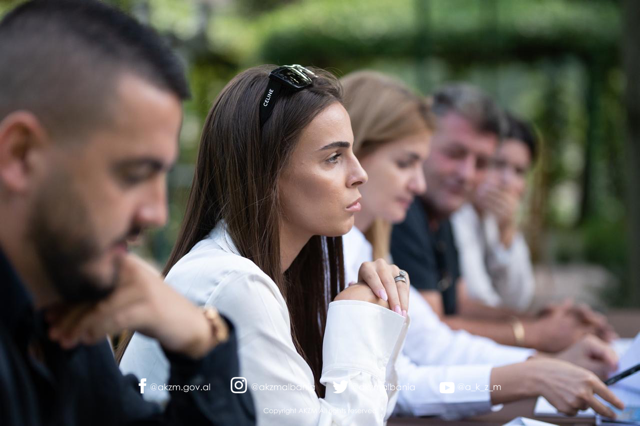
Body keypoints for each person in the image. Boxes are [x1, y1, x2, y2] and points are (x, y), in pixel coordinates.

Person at [0, 1, 255, 425]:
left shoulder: (69, 309)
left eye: (162, 176)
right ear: (21, 154)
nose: (156, 213)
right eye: (133, 174)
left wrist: (199, 340)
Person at [120, 64, 410, 426]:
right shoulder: (235, 282)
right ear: (267, 174)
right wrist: (360, 318)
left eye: (351, 153)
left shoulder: (261, 272)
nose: (359, 174)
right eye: (333, 157)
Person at [340, 71, 624, 420]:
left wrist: (542, 365)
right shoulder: (349, 244)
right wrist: (534, 368)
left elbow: (437, 342)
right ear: (354, 155)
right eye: (405, 162)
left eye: (484, 163)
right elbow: (404, 381)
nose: (417, 184)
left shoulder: (366, 243)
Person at [390, 83, 613, 353]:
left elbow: (462, 304)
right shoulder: (404, 209)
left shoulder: (442, 211)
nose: (467, 174)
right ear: (421, 141)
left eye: (482, 163)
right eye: (454, 154)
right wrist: (536, 333)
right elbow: (433, 331)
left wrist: (544, 321)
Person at [451, 112, 537, 311]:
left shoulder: (496, 221)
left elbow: (519, 299)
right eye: (498, 164)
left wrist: (507, 231)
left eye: (519, 171)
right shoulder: (454, 214)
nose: (507, 181)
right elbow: (479, 300)